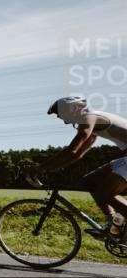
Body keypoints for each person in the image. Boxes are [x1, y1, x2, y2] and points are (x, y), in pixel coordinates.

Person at [25, 96, 127, 241]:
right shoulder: (91, 122)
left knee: (106, 193)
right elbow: (79, 154)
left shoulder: (89, 117)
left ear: (73, 108)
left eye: (60, 113)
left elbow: (73, 149)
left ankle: (120, 228)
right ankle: (114, 225)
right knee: (90, 182)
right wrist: (57, 168)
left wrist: (41, 168)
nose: (60, 117)